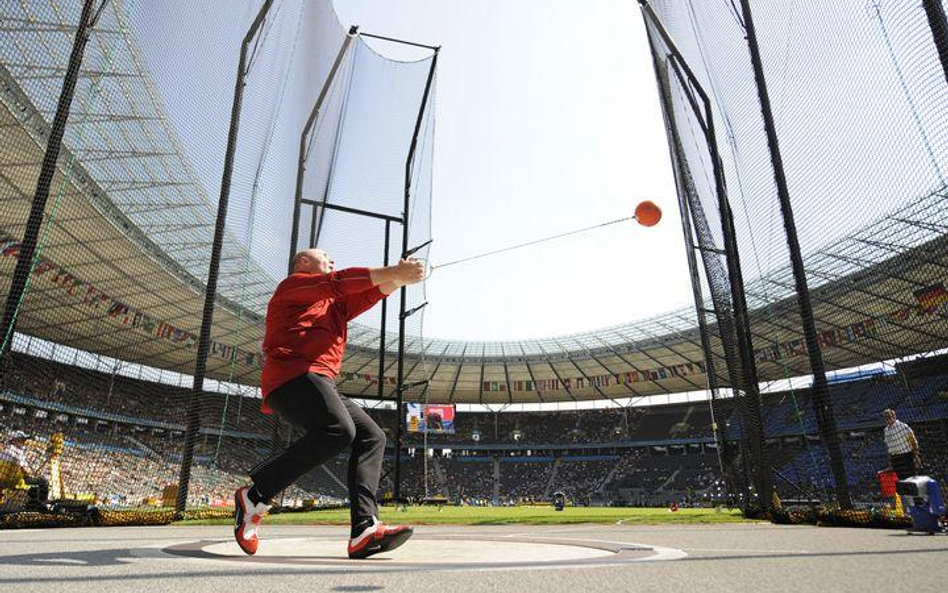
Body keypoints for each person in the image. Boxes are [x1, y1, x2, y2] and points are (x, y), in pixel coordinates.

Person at [234, 249, 425, 559]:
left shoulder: (333, 306)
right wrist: (392, 269)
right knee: (339, 429)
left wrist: (397, 280)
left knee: (372, 436)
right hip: (292, 376)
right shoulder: (293, 286)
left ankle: (364, 528)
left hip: (320, 380)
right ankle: (255, 495)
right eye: (324, 255)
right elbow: (338, 282)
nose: (331, 259)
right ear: (304, 263)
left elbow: (363, 297)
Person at [0, 431, 49, 509]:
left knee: (33, 484)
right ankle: (41, 505)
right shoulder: (17, 452)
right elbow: (26, 471)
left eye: (24, 440)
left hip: (2, 480)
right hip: (14, 482)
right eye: (22, 440)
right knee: (43, 481)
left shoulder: (4, 450)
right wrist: (32, 474)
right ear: (14, 440)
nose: (24, 442)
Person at [883, 408, 920, 480]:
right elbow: (888, 446)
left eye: (890, 416)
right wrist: (890, 461)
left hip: (906, 456)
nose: (888, 418)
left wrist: (916, 455)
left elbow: (913, 440)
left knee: (911, 478)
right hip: (895, 458)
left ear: (894, 416)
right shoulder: (886, 430)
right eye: (886, 417)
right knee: (901, 480)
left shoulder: (903, 426)